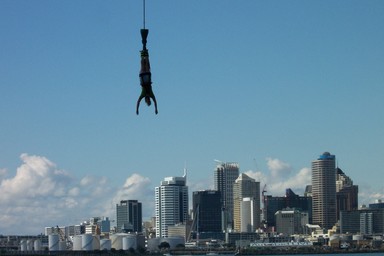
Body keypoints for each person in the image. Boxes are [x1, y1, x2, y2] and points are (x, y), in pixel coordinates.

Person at [136, 29, 158, 115]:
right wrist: (156, 109)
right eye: (149, 100)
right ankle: (145, 49)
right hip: (147, 77)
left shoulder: (143, 94)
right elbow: (155, 101)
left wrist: (137, 110)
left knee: (143, 64)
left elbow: (138, 101)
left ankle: (143, 50)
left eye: (148, 100)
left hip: (143, 77)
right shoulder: (151, 94)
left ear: (146, 99)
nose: (149, 98)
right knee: (147, 64)